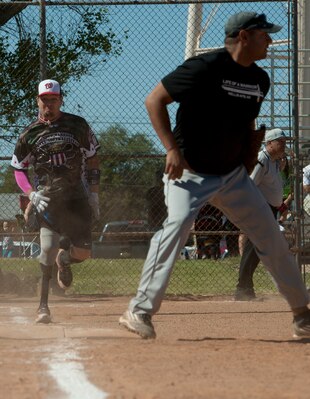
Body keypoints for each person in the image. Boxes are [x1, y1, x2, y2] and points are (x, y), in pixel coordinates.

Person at [119, 11, 310, 340]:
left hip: (233, 176)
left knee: (271, 237)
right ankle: (139, 311)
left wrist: (248, 150)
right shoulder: (203, 68)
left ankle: (302, 314)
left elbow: (244, 123)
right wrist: (171, 149)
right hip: (189, 172)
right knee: (176, 228)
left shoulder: (259, 80)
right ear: (244, 36)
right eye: (264, 34)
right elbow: (154, 101)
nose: (269, 40)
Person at [11, 79, 100, 324]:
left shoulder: (78, 125)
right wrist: (31, 193)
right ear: (38, 101)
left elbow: (93, 158)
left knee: (83, 253)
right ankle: (43, 306)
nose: (48, 104)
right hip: (48, 200)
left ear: (61, 99)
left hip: (77, 198)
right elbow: (18, 169)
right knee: (48, 249)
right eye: (44, 99)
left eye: (53, 99)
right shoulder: (29, 134)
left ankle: (66, 259)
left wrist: (94, 193)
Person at [235, 128, 289, 300]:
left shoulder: (273, 160)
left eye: (284, 141)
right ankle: (243, 289)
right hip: (259, 209)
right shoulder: (262, 159)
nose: (283, 145)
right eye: (280, 141)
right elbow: (250, 184)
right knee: (253, 248)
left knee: (258, 249)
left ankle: (246, 288)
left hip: (268, 209)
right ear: (269, 143)